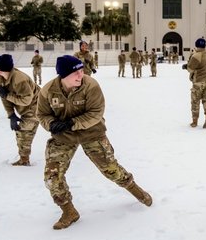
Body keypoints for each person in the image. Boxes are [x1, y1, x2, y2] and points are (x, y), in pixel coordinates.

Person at [36, 55, 153, 230]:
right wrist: (51, 124)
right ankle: (69, 211)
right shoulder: (48, 91)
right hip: (63, 137)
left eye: (82, 71)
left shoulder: (90, 85)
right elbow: (42, 114)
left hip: (92, 133)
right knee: (52, 177)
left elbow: (96, 113)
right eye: (76, 73)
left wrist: (71, 123)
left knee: (111, 169)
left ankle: (136, 190)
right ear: (63, 75)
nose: (80, 75)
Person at [0, 54, 40, 166]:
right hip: (27, 108)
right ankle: (24, 158)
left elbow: (26, 100)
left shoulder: (19, 79)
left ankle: (24, 160)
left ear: (1, 69)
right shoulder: (0, 78)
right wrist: (11, 115)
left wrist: (7, 95)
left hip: (36, 106)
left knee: (23, 132)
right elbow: (4, 98)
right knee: (23, 131)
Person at [184, 38, 206, 128]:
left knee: (195, 102)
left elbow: (190, 69)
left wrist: (186, 66)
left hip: (199, 82)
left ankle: (194, 121)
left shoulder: (196, 56)